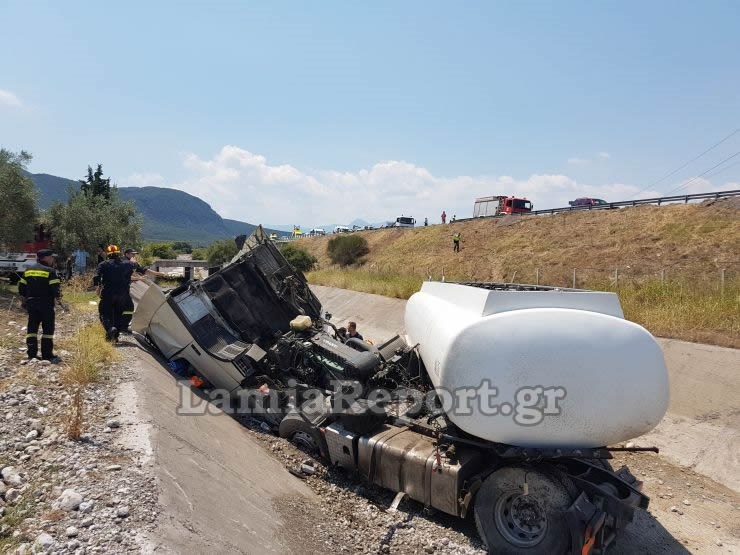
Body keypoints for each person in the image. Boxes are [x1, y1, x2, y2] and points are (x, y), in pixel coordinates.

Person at [18, 249, 62, 362]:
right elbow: (56, 289)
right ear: (46, 258)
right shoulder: (50, 271)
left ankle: (32, 354)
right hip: (46, 304)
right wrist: (59, 299)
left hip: (32, 304)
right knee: (47, 330)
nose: (52, 259)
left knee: (32, 329)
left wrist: (25, 300)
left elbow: (21, 288)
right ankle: (47, 355)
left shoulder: (28, 270)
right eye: (51, 257)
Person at [94, 244, 135, 342]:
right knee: (118, 314)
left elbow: (96, 277)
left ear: (108, 254)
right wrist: (133, 262)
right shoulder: (127, 263)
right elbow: (138, 269)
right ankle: (115, 336)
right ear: (118, 253)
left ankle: (110, 329)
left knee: (104, 313)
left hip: (108, 293)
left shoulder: (103, 264)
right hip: (122, 294)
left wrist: (98, 288)